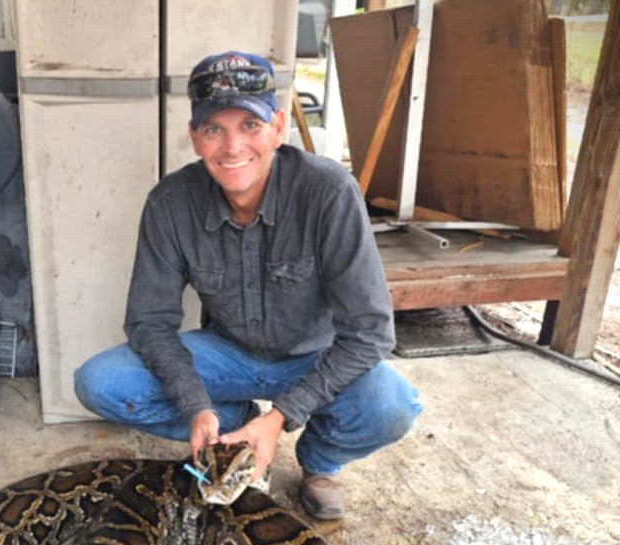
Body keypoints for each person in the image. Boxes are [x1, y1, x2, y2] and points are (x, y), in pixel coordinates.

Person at [74, 50, 421, 520]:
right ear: (195, 138)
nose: (232, 147)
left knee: (391, 405)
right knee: (100, 383)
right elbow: (149, 323)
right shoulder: (170, 202)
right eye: (215, 129)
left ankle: (320, 462)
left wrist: (282, 416)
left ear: (278, 127)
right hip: (226, 353)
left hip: (310, 356)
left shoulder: (329, 192)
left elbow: (372, 333)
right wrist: (197, 407)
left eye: (250, 126)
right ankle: (231, 425)